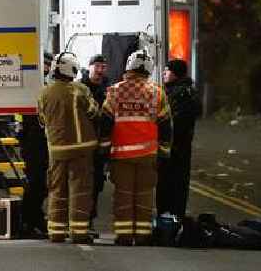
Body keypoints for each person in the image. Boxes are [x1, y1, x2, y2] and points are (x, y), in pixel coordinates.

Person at [99, 50, 172, 246]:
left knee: (123, 196)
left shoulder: (115, 91)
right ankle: (142, 235)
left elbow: (105, 122)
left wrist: (104, 149)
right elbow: (166, 125)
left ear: (128, 67)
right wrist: (164, 151)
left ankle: (123, 236)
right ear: (149, 69)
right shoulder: (157, 93)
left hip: (121, 155)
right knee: (144, 196)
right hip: (148, 154)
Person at [38, 52, 98, 244]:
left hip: (55, 150)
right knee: (79, 190)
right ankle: (78, 232)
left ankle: (56, 231)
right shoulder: (79, 90)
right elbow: (93, 111)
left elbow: (41, 120)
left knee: (56, 190)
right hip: (80, 149)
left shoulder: (44, 93)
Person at [156, 59, 201, 219]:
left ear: (175, 74)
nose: (163, 73)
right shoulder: (178, 91)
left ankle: (170, 219)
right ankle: (170, 217)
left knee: (171, 184)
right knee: (172, 184)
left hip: (176, 148)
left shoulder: (181, 94)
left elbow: (174, 122)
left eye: (167, 71)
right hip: (176, 147)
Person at [19, 52, 54, 238]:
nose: (47, 68)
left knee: (40, 185)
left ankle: (33, 220)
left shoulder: (45, 86)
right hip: (34, 142)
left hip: (41, 141)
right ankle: (28, 222)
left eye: (49, 65)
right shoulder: (35, 88)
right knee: (36, 184)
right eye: (45, 64)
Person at [80, 54, 111, 233]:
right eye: (97, 66)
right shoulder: (81, 88)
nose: (100, 70)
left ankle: (89, 219)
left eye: (103, 67)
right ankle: (79, 218)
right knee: (82, 183)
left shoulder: (108, 89)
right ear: (89, 67)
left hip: (101, 146)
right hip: (83, 144)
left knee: (96, 185)